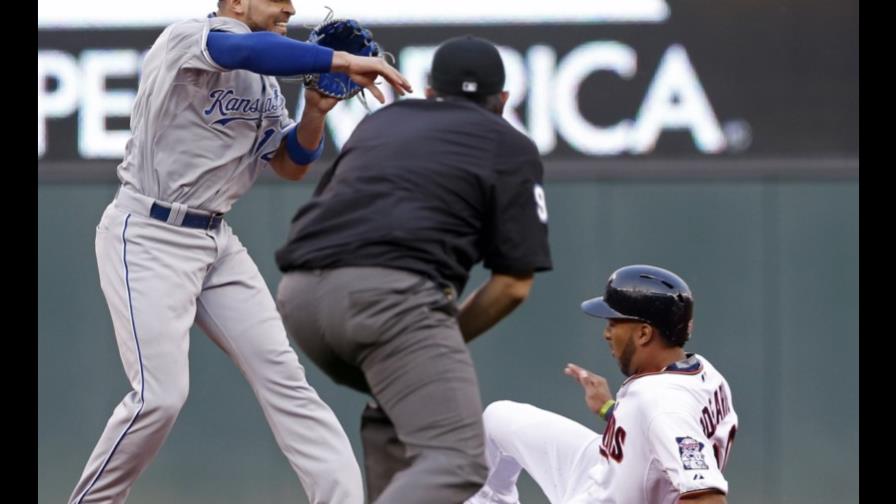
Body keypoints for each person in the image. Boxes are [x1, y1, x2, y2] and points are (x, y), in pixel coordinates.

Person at [69, 2, 412, 503]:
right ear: (233, 2)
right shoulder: (190, 38)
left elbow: (289, 163)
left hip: (215, 242)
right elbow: (241, 47)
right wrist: (333, 60)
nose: (289, 7)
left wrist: (313, 112)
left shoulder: (266, 83)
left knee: (286, 381)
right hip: (147, 233)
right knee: (159, 398)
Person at [274, 35, 553, 503]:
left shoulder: (383, 123)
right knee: (460, 461)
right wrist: (434, 340)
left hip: (298, 297)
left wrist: (420, 350)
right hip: (390, 300)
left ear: (427, 92)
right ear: (502, 101)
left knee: (401, 413)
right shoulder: (510, 145)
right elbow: (512, 286)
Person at [466, 264, 738, 504]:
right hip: (604, 470)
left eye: (614, 323)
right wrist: (610, 409)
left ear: (644, 333)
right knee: (497, 418)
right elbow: (662, 438)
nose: (606, 333)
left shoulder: (661, 403)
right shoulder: (705, 373)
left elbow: (707, 497)